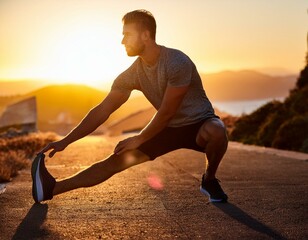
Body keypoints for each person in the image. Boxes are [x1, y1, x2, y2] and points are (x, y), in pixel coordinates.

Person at [32, 9, 228, 204]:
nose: (122, 41)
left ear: (145, 35)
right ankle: (50, 189)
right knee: (114, 162)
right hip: (165, 129)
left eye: (127, 34)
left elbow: (168, 111)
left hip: (198, 123)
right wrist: (66, 141)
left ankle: (209, 180)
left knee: (217, 131)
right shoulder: (131, 75)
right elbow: (103, 110)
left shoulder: (177, 62)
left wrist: (140, 138)